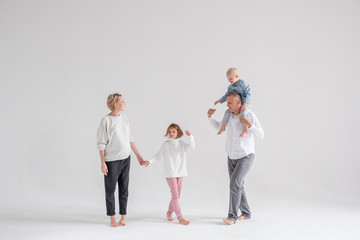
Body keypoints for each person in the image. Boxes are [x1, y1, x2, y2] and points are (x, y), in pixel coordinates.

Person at [208, 91, 264, 225]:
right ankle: (246, 213)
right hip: (231, 156)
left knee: (235, 183)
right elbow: (219, 126)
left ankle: (232, 216)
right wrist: (210, 117)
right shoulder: (229, 115)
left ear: (239, 103)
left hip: (246, 155)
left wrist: (249, 125)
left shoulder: (249, 115)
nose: (227, 105)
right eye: (226, 102)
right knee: (238, 185)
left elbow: (261, 134)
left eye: (229, 102)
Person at [96, 93, 145, 227]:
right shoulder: (105, 121)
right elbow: (101, 143)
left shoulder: (124, 119)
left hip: (125, 159)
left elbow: (130, 139)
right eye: (122, 102)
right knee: (110, 190)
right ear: (115, 104)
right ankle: (112, 216)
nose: (125, 103)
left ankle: (123, 216)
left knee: (124, 189)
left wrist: (138, 155)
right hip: (112, 161)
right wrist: (102, 162)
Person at [142, 123, 195, 225]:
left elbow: (192, 147)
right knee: (175, 194)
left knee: (177, 195)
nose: (171, 133)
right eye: (170, 132)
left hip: (180, 172)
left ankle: (169, 213)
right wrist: (150, 161)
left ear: (178, 132)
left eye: (173, 131)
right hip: (170, 173)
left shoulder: (182, 144)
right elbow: (158, 155)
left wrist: (190, 136)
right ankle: (180, 217)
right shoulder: (165, 144)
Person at [214, 67, 251, 137]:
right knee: (227, 112)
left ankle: (244, 130)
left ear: (236, 76)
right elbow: (227, 95)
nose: (229, 81)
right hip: (236, 106)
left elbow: (248, 94)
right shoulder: (230, 87)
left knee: (244, 113)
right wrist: (220, 100)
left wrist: (245, 103)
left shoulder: (244, 84)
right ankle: (223, 127)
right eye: (228, 79)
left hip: (244, 104)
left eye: (230, 79)